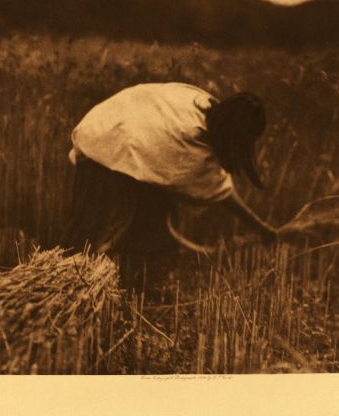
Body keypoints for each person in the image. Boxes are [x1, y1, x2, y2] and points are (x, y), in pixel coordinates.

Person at [64, 82, 278, 293]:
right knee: (100, 232)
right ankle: (75, 290)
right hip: (107, 145)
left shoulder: (199, 101)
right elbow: (222, 193)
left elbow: (220, 188)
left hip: (105, 123)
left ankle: (130, 287)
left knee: (148, 218)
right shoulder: (190, 144)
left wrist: (261, 228)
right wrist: (261, 228)